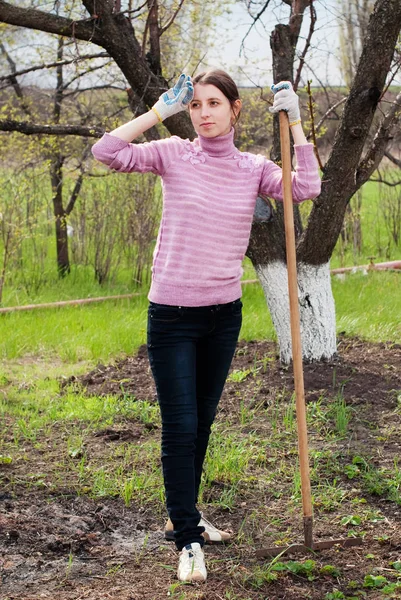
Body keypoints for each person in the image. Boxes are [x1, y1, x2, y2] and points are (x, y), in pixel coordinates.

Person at [91, 70, 321, 583]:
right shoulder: (173, 153)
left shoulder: (253, 169)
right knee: (180, 425)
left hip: (223, 316)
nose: (204, 112)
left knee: (202, 422)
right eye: (195, 105)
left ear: (235, 110)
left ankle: (185, 514)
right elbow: (105, 152)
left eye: (214, 103)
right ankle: (188, 540)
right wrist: (156, 113)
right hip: (171, 315)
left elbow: (307, 186)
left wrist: (298, 124)